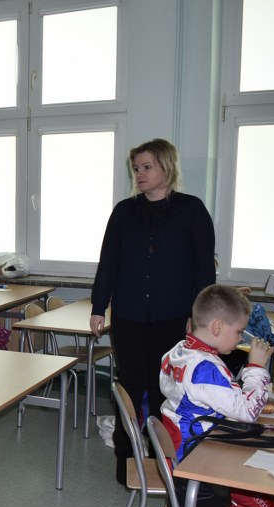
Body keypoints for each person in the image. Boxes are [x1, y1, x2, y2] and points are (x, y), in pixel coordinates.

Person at [90, 138, 216, 485]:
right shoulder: (124, 212)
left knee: (166, 392)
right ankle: (126, 463)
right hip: (129, 316)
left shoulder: (192, 210)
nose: (140, 174)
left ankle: (165, 465)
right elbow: (108, 263)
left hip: (174, 317)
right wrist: (98, 306)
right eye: (136, 168)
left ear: (167, 167)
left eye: (147, 167)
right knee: (129, 389)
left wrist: (200, 318)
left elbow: (204, 269)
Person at [159, 284, 274, 507]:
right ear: (217, 327)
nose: (241, 338)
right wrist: (256, 368)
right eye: (239, 331)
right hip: (196, 458)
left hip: (183, 444)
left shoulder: (179, 350)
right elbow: (247, 413)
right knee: (265, 502)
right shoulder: (205, 369)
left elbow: (212, 395)